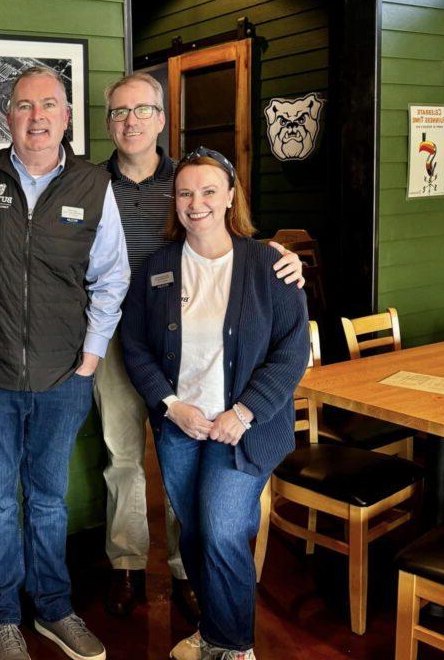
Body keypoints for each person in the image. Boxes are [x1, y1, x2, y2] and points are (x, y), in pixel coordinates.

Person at [96, 72, 303, 618]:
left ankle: (200, 583)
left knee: (213, 517)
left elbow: (289, 342)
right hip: (125, 343)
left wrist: (285, 261)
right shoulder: (90, 185)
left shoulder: (188, 179)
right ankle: (130, 567)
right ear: (108, 122)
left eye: (142, 110)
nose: (131, 121)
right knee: (127, 460)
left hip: (219, 375)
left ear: (161, 119)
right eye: (119, 112)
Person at [0, 66, 129, 660]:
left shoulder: (91, 185)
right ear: (8, 117)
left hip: (62, 376)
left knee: (49, 499)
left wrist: (92, 354)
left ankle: (54, 609)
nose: (36, 117)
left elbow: (111, 276)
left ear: (67, 116)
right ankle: (3, 618)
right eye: (24, 106)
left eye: (48, 104)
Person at [121, 148, 310, 660]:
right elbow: (135, 345)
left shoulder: (270, 264)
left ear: (230, 196)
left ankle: (235, 645)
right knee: (197, 531)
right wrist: (170, 405)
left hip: (244, 429)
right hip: (182, 426)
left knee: (224, 527)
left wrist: (243, 412)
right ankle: (212, 631)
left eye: (208, 191)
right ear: (175, 202)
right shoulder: (158, 268)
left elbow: (293, 351)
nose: (196, 202)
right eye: (185, 193)